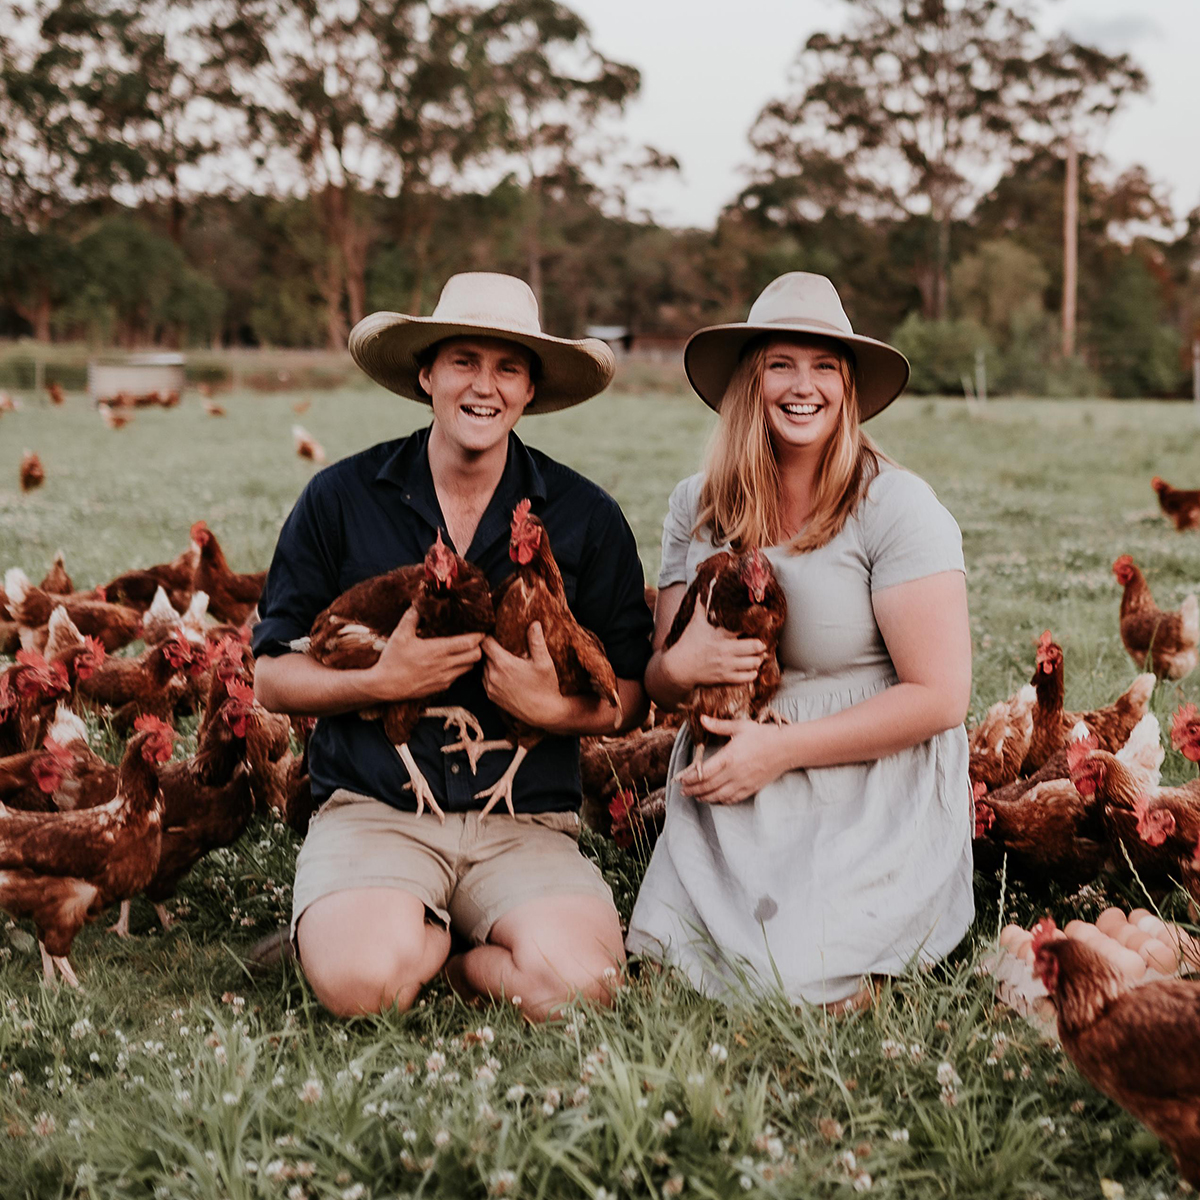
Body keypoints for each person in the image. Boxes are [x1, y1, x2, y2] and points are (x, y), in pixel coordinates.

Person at [253, 272, 653, 1020]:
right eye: (464, 360)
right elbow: (272, 676)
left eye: (508, 367)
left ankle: (451, 956)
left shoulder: (584, 516)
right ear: (426, 373)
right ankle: (377, 926)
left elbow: (629, 695)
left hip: (523, 820)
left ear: (531, 389)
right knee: (362, 987)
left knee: (585, 988)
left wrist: (553, 708)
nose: (484, 385)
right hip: (377, 806)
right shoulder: (341, 499)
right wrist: (379, 680)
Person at [626, 272, 974, 1010]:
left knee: (797, 982)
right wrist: (678, 666)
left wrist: (781, 748)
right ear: (752, 381)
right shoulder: (698, 503)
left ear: (846, 385)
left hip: (868, 777)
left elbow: (942, 696)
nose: (801, 385)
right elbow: (659, 676)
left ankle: (876, 938)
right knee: (664, 975)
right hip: (732, 767)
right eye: (781, 364)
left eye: (823, 366)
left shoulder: (895, 504)